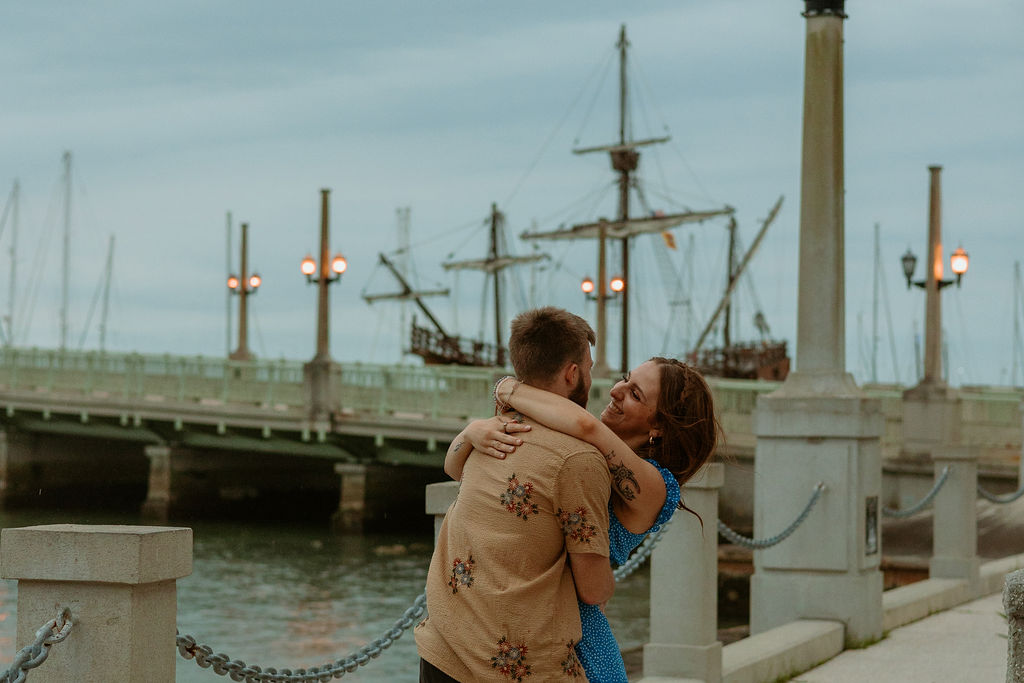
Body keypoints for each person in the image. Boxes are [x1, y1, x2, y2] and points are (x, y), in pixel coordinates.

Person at [445, 357, 720, 682]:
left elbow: (588, 425)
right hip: (530, 624)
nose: (616, 390)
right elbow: (453, 469)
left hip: (580, 645)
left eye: (635, 394)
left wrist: (506, 387)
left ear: (657, 426)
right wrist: (474, 431)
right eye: (624, 378)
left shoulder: (656, 486)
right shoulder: (586, 454)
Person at [415, 307, 614, 682]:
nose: (590, 375)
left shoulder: (495, 429)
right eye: (588, 367)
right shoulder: (579, 460)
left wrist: (470, 431)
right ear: (572, 374)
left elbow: (452, 468)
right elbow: (594, 588)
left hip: (442, 646)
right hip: (515, 669)